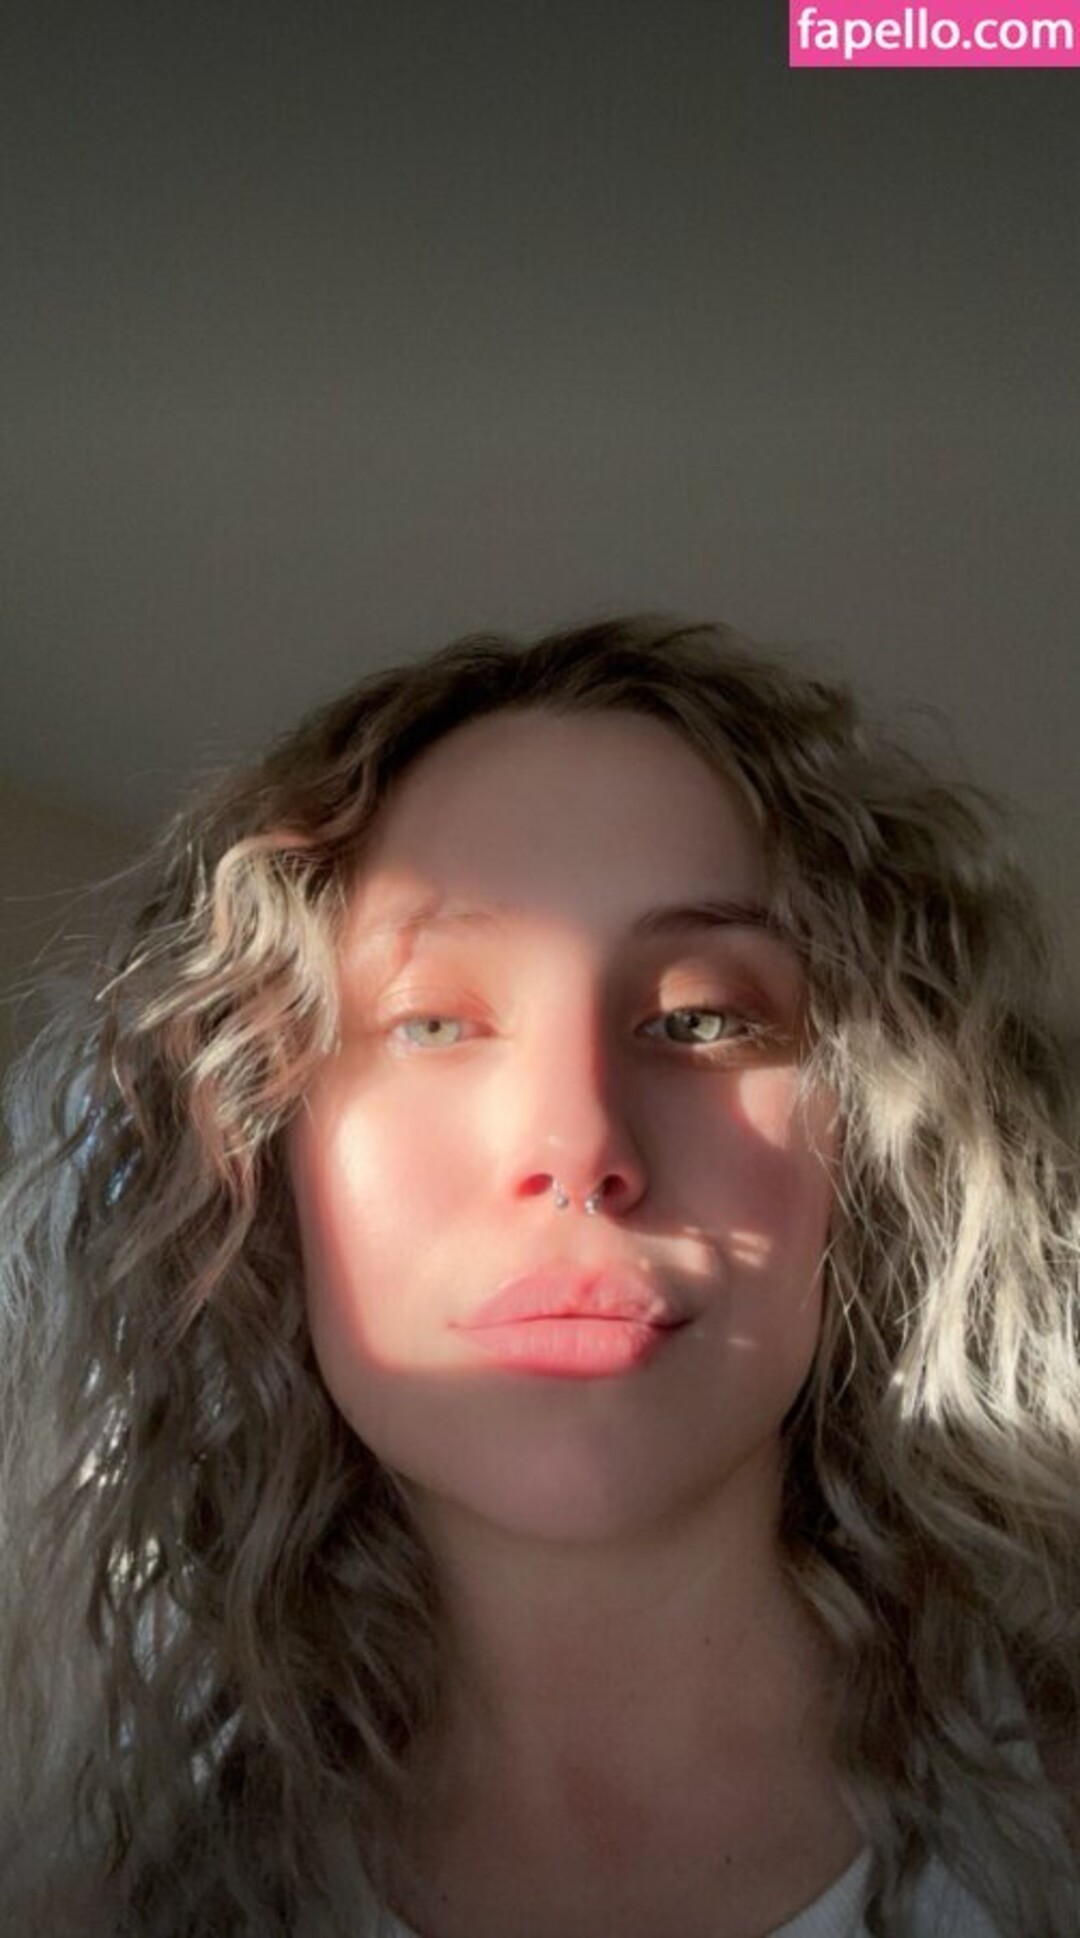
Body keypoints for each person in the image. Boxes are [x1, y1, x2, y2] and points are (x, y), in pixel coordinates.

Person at [1, 616, 1078, 1938]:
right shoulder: (98, 1902)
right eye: (431, 1022)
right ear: (260, 1158)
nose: (580, 1148)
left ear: (876, 1146)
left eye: (701, 1017)